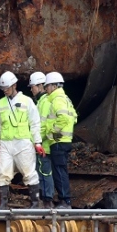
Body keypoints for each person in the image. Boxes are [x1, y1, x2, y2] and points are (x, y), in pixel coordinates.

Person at [0, 71, 45, 209]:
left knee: (29, 172)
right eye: (3, 88)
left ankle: (35, 203)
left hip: (23, 143)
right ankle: (3, 204)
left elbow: (35, 123)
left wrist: (37, 142)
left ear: (14, 85)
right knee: (3, 172)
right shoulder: (1, 104)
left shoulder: (27, 101)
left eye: (7, 88)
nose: (5, 91)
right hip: (6, 143)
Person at [44, 72, 78, 209]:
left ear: (53, 86)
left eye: (47, 86)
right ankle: (65, 200)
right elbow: (74, 117)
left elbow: (64, 118)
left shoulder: (57, 99)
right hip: (65, 140)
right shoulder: (66, 99)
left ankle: (65, 201)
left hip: (58, 141)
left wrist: (52, 131)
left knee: (59, 171)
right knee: (61, 170)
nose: (46, 89)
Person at [29, 72, 55, 208]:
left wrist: (36, 141)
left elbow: (43, 126)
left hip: (44, 146)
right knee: (41, 173)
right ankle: (43, 200)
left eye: (32, 86)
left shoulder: (44, 103)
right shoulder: (40, 102)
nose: (31, 90)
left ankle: (47, 202)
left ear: (40, 86)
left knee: (45, 173)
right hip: (42, 145)